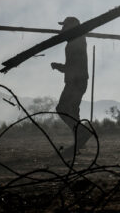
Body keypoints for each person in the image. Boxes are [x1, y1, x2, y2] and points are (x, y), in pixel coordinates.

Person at [51, 17, 92, 155]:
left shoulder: (76, 42)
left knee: (62, 108)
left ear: (72, 27)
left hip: (76, 81)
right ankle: (80, 142)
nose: (62, 29)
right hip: (77, 80)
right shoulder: (75, 41)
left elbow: (73, 66)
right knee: (73, 111)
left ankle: (82, 134)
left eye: (65, 26)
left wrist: (59, 67)